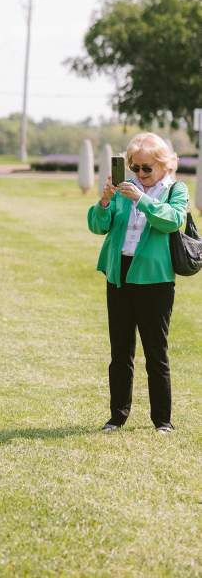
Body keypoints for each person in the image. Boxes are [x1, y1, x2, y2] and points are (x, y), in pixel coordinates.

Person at [87, 132, 188, 433]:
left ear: (164, 165)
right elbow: (97, 225)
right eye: (135, 167)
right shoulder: (121, 191)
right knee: (120, 351)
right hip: (120, 273)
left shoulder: (175, 190)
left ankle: (163, 421)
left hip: (155, 278)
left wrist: (141, 199)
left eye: (147, 168)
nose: (140, 174)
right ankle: (117, 416)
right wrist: (105, 201)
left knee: (156, 352)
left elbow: (172, 220)